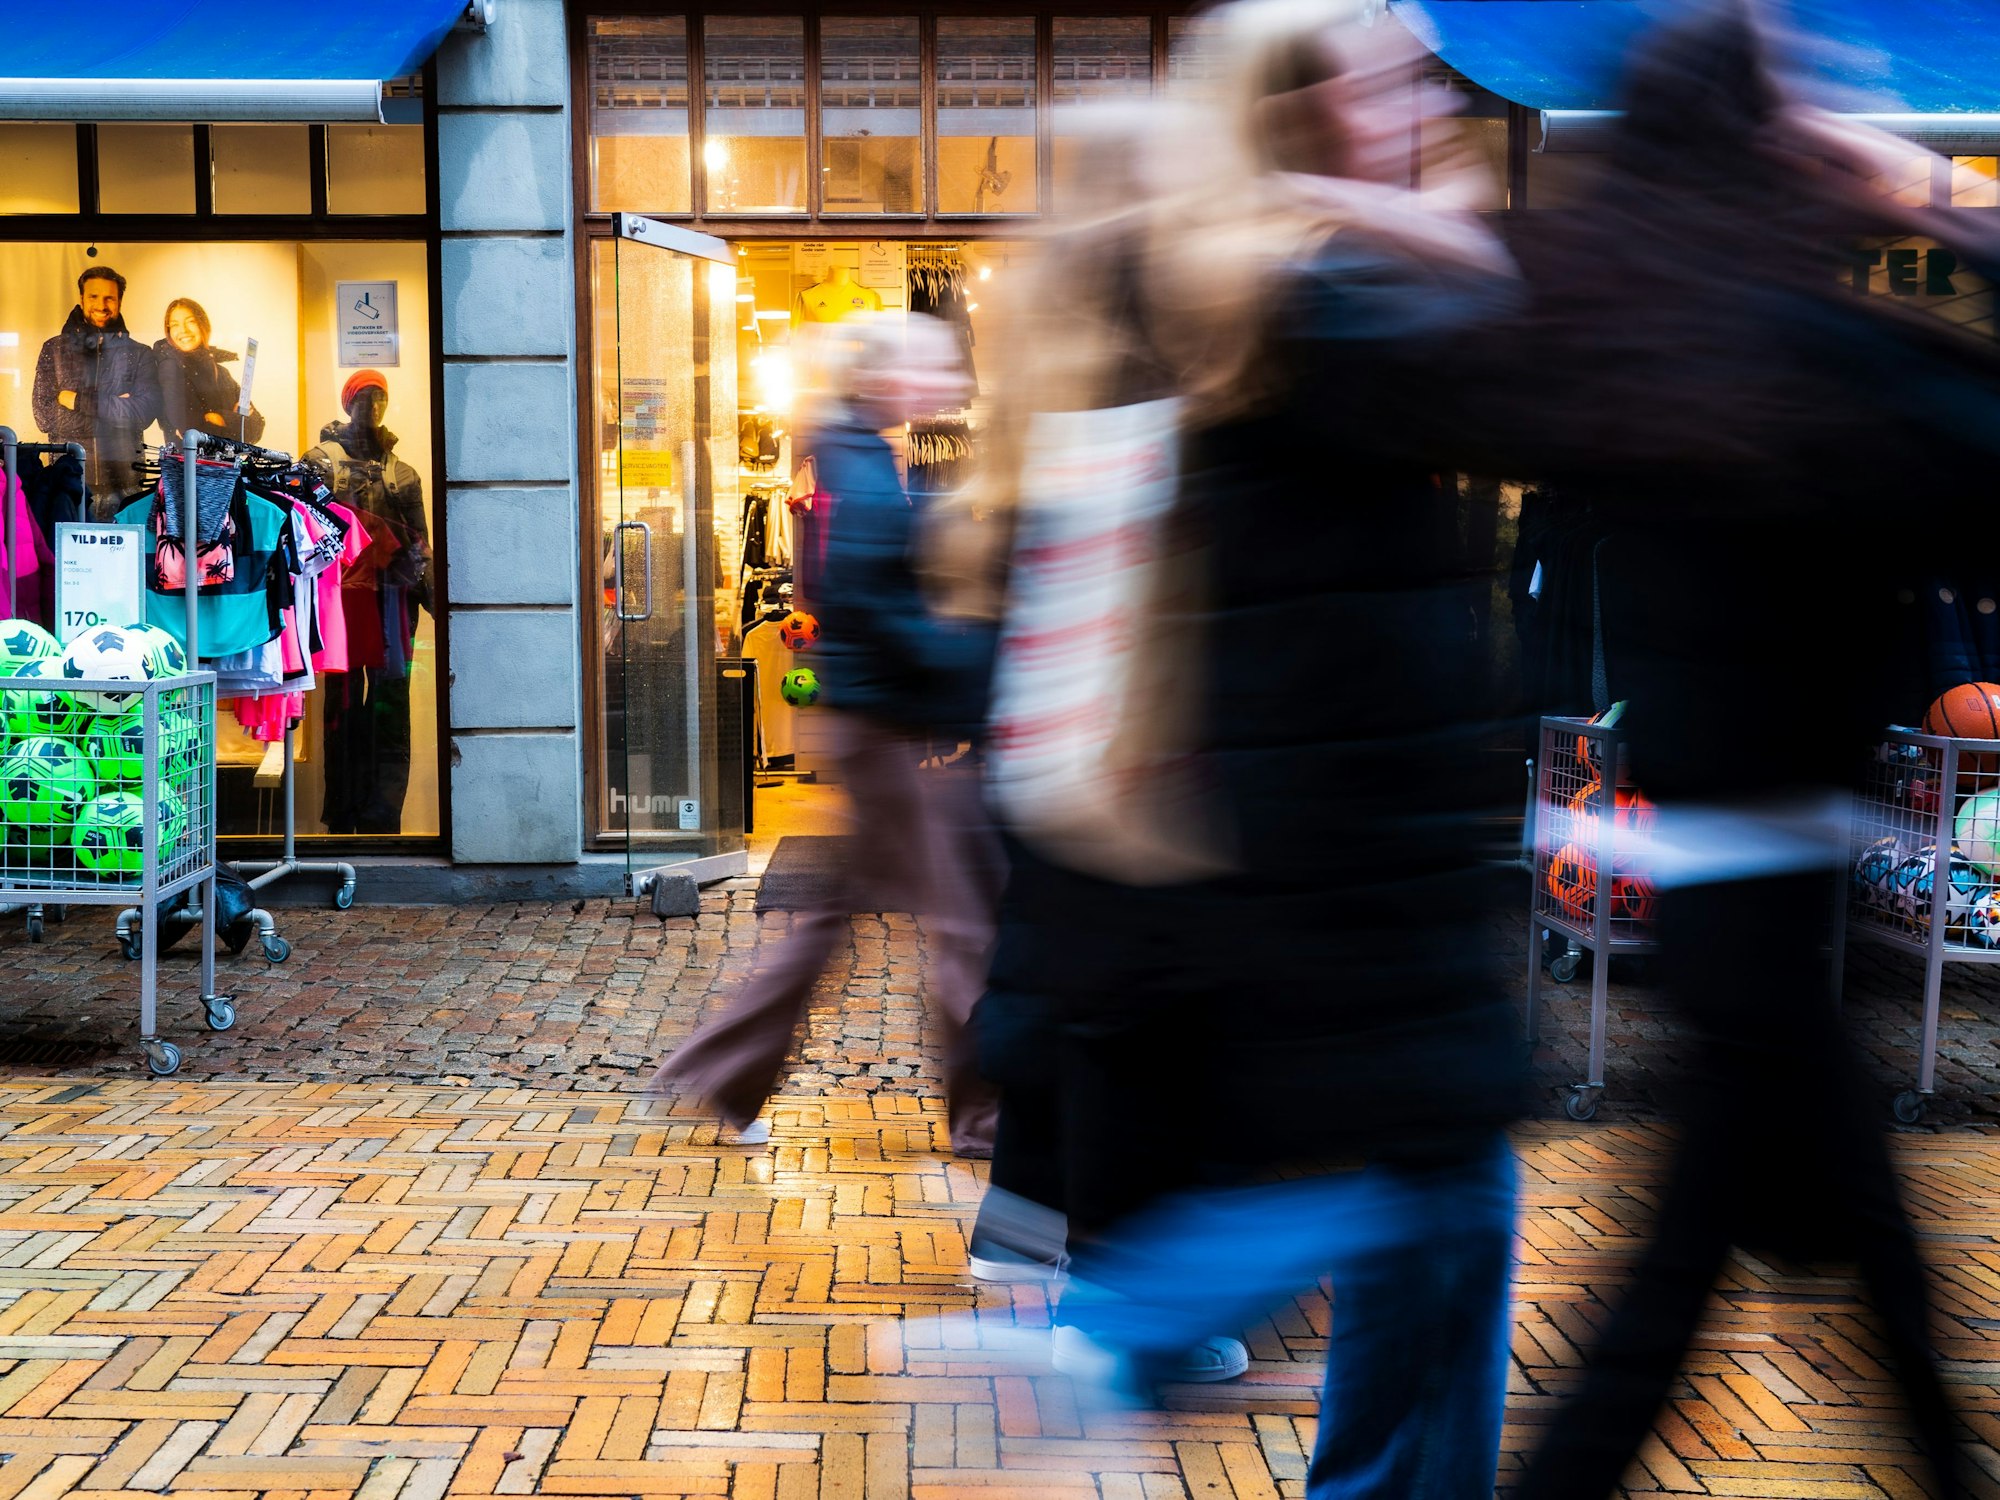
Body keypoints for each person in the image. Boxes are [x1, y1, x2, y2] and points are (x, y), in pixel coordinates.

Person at [956, 2, 1529, 1487]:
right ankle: (1124, 1323)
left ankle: (1129, 1320)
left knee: (1433, 1196)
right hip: (1349, 852)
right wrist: (1431, 221)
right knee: (1440, 1194)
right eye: (1391, 78)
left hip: (1297, 849)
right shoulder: (1312, 301)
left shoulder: (1209, 296)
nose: (1428, 101)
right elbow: (1538, 355)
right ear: (1296, 116)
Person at [1496, 11, 2000, 1498]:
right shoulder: (1805, 359)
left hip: (1727, 880)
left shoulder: (1658, 345)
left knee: (1725, 1284)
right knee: (1702, 1300)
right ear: (1769, 146)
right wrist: (1933, 207)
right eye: (1812, 98)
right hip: (1770, 896)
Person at [649, 314, 1001, 1156]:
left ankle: (727, 1074)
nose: (951, 379)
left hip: (877, 722)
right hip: (881, 728)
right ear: (888, 378)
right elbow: (872, 606)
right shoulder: (856, 462)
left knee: (836, 921)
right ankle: (986, 1116)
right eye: (936, 366)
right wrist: (964, 682)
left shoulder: (861, 452)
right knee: (961, 921)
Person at [304, 370, 430, 835]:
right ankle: (341, 814)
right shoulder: (318, 464)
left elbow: (422, 550)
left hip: (392, 607)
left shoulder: (403, 474)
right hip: (339, 606)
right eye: (363, 397)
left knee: (390, 708)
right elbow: (301, 538)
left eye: (381, 398)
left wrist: (440, 604)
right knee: (341, 710)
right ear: (347, 402)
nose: (372, 407)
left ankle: (383, 819)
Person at [31, 265, 159, 513]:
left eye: (109, 297)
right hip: (69, 481)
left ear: (120, 301)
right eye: (94, 296)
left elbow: (143, 414)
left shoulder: (140, 353)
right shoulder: (54, 349)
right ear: (81, 298)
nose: (102, 304)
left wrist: (77, 401)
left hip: (127, 484)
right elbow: (44, 416)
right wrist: (115, 408)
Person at [154, 298, 265, 445]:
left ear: (203, 325)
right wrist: (237, 422)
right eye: (175, 325)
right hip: (189, 466)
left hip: (226, 465)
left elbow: (256, 427)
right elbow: (193, 432)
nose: (184, 330)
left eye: (191, 322)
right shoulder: (169, 369)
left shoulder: (221, 372)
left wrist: (223, 418)